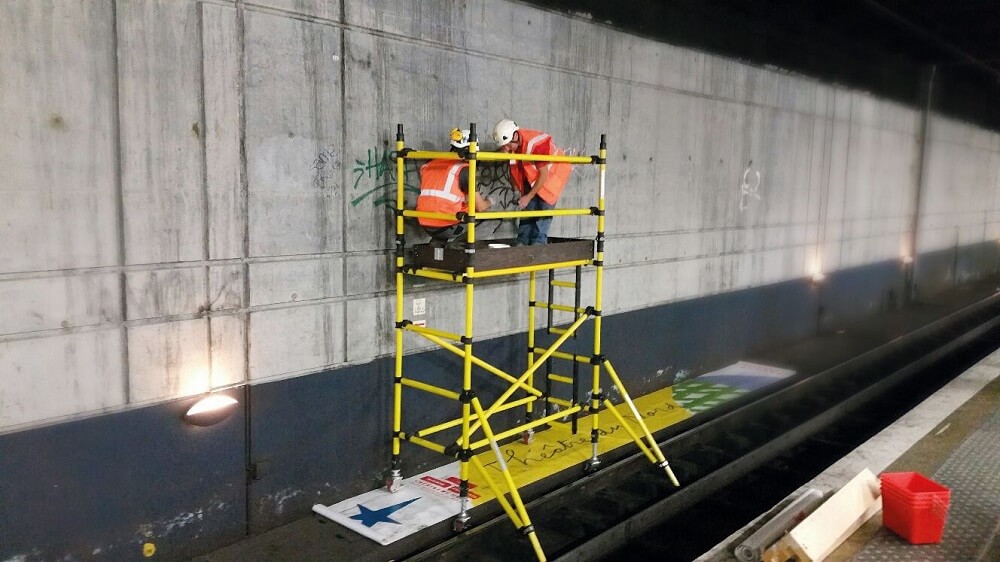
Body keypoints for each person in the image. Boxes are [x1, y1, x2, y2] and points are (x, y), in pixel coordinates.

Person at [492, 119, 572, 245]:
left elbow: (544, 174)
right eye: (503, 146)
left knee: (541, 223)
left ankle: (537, 251)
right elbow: (514, 169)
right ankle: (522, 245)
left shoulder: (536, 145)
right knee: (527, 219)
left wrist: (528, 197)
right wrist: (517, 191)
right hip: (534, 179)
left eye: (507, 145)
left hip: (551, 180)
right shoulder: (514, 146)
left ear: (515, 136)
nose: (505, 149)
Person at [416, 128, 492, 246]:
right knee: (492, 217)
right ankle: (458, 247)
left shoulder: (430, 163)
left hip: (424, 221)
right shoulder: (464, 169)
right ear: (470, 151)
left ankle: (438, 244)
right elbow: (481, 207)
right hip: (445, 223)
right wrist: (490, 202)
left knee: (459, 210)